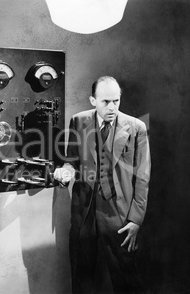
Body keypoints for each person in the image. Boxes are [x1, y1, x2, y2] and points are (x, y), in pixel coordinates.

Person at [54, 76, 151, 293]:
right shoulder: (78, 121)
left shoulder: (136, 127)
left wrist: (136, 218)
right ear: (93, 100)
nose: (112, 107)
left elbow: (143, 176)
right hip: (84, 211)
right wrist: (65, 172)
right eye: (106, 101)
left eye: (116, 101)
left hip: (119, 212)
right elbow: (71, 161)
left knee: (126, 276)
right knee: (82, 275)